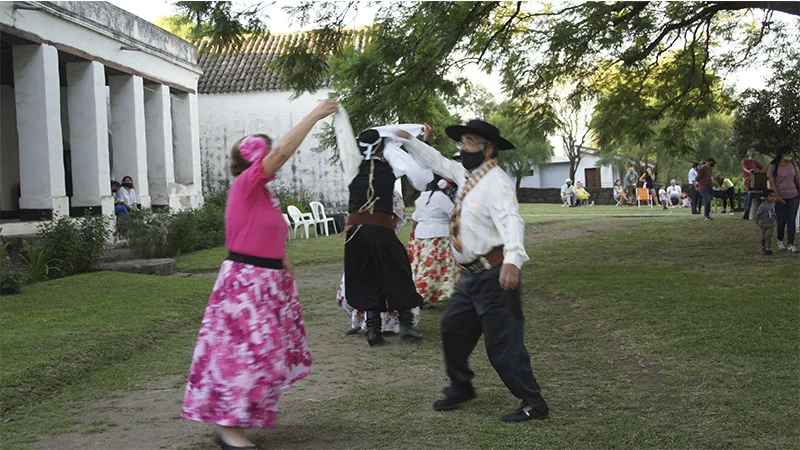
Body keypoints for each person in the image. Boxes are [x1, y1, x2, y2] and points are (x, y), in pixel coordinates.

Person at [180, 98, 338, 450]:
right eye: (267, 155)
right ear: (255, 161)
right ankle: (228, 430)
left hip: (264, 282)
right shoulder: (247, 184)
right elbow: (282, 151)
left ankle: (235, 423)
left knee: (265, 356)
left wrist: (281, 259)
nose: (275, 159)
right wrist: (314, 115)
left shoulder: (262, 194)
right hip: (245, 286)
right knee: (245, 356)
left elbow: (259, 231)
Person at [392, 120, 549, 423]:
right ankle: (461, 386)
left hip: (495, 274)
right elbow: (437, 161)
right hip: (470, 276)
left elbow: (512, 221)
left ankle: (534, 402)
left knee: (502, 344)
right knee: (452, 328)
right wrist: (408, 141)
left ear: (488, 149)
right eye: (462, 141)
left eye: (469, 141)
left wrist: (514, 261)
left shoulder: (497, 182)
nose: (462, 147)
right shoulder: (467, 175)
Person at [343, 128, 425, 346]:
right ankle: (405, 326)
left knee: (368, 277)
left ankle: (373, 330)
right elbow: (418, 176)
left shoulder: (351, 168)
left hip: (356, 234)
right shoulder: (388, 169)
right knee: (398, 273)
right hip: (380, 230)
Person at [337, 190, 421, 334]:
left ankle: (374, 327)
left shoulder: (361, 192)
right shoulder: (388, 193)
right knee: (393, 280)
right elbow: (396, 219)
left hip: (365, 243)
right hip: (380, 242)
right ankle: (392, 326)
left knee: (370, 283)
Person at [408, 175, 458, 308]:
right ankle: (432, 294)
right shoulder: (441, 197)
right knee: (439, 268)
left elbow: (415, 218)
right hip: (439, 236)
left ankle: (422, 295)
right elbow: (453, 214)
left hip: (422, 235)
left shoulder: (420, 198)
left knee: (424, 267)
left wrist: (413, 231)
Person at [767, 146, 800, 253]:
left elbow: (798, 177)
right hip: (780, 196)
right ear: (782, 154)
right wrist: (777, 196)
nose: (790, 156)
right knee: (781, 221)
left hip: (794, 195)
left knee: (791, 220)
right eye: (788, 153)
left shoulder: (793, 164)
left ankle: (791, 243)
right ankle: (780, 240)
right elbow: (772, 182)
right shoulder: (773, 166)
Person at [742, 148, 764, 219]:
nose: (753, 154)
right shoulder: (745, 161)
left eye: (754, 152)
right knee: (748, 198)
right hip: (748, 181)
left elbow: (761, 168)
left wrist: (757, 171)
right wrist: (749, 171)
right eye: (752, 152)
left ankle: (758, 214)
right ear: (749, 153)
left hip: (755, 182)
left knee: (758, 197)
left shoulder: (755, 162)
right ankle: (746, 214)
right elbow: (744, 168)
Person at [755, 190, 778, 255]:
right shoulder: (762, 206)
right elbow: (757, 215)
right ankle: (763, 246)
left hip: (771, 224)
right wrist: (757, 223)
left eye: (774, 196)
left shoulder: (774, 204)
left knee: (768, 236)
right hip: (763, 225)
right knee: (763, 238)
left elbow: (775, 213)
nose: (773, 198)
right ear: (766, 197)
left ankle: (768, 249)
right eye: (771, 196)